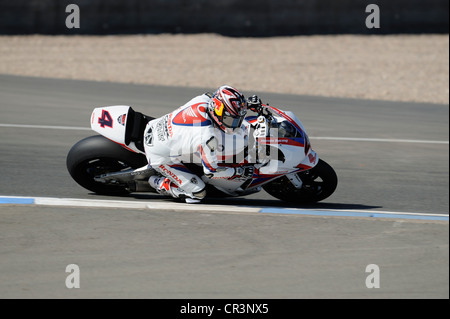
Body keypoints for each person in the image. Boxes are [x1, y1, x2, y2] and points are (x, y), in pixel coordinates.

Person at [144, 85, 260, 203]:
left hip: (153, 125)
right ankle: (159, 182)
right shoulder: (207, 136)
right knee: (198, 193)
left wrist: (246, 105)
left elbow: (216, 95)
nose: (235, 125)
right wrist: (238, 172)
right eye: (231, 120)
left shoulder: (204, 100)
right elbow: (211, 172)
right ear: (218, 111)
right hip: (158, 155)